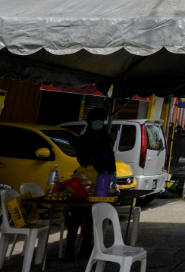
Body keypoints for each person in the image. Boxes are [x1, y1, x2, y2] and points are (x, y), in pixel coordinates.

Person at [66, 108, 116, 260]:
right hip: (84, 177)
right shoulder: (82, 139)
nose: (98, 122)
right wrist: (97, 159)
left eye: (101, 120)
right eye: (96, 120)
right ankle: (69, 250)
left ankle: (85, 250)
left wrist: (112, 173)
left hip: (101, 180)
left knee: (90, 218)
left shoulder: (106, 138)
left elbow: (111, 157)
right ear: (90, 122)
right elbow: (82, 158)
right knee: (76, 217)